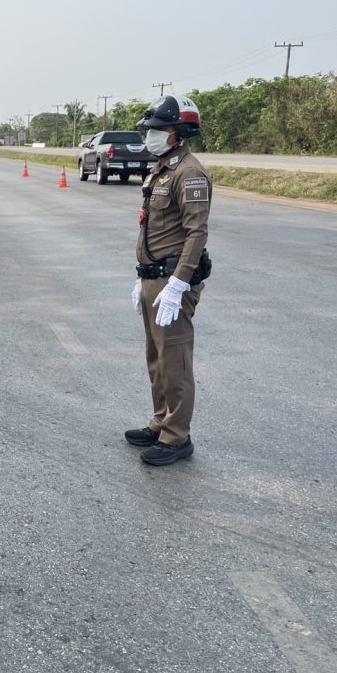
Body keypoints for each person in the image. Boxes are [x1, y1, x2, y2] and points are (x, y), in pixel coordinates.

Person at [127, 95, 213, 466]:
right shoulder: (162, 169)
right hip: (153, 279)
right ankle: (161, 422)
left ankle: (177, 436)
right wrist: (142, 277)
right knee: (157, 359)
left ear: (179, 132)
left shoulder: (189, 173)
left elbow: (197, 233)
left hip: (173, 281)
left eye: (160, 129)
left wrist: (179, 284)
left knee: (174, 361)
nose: (153, 135)